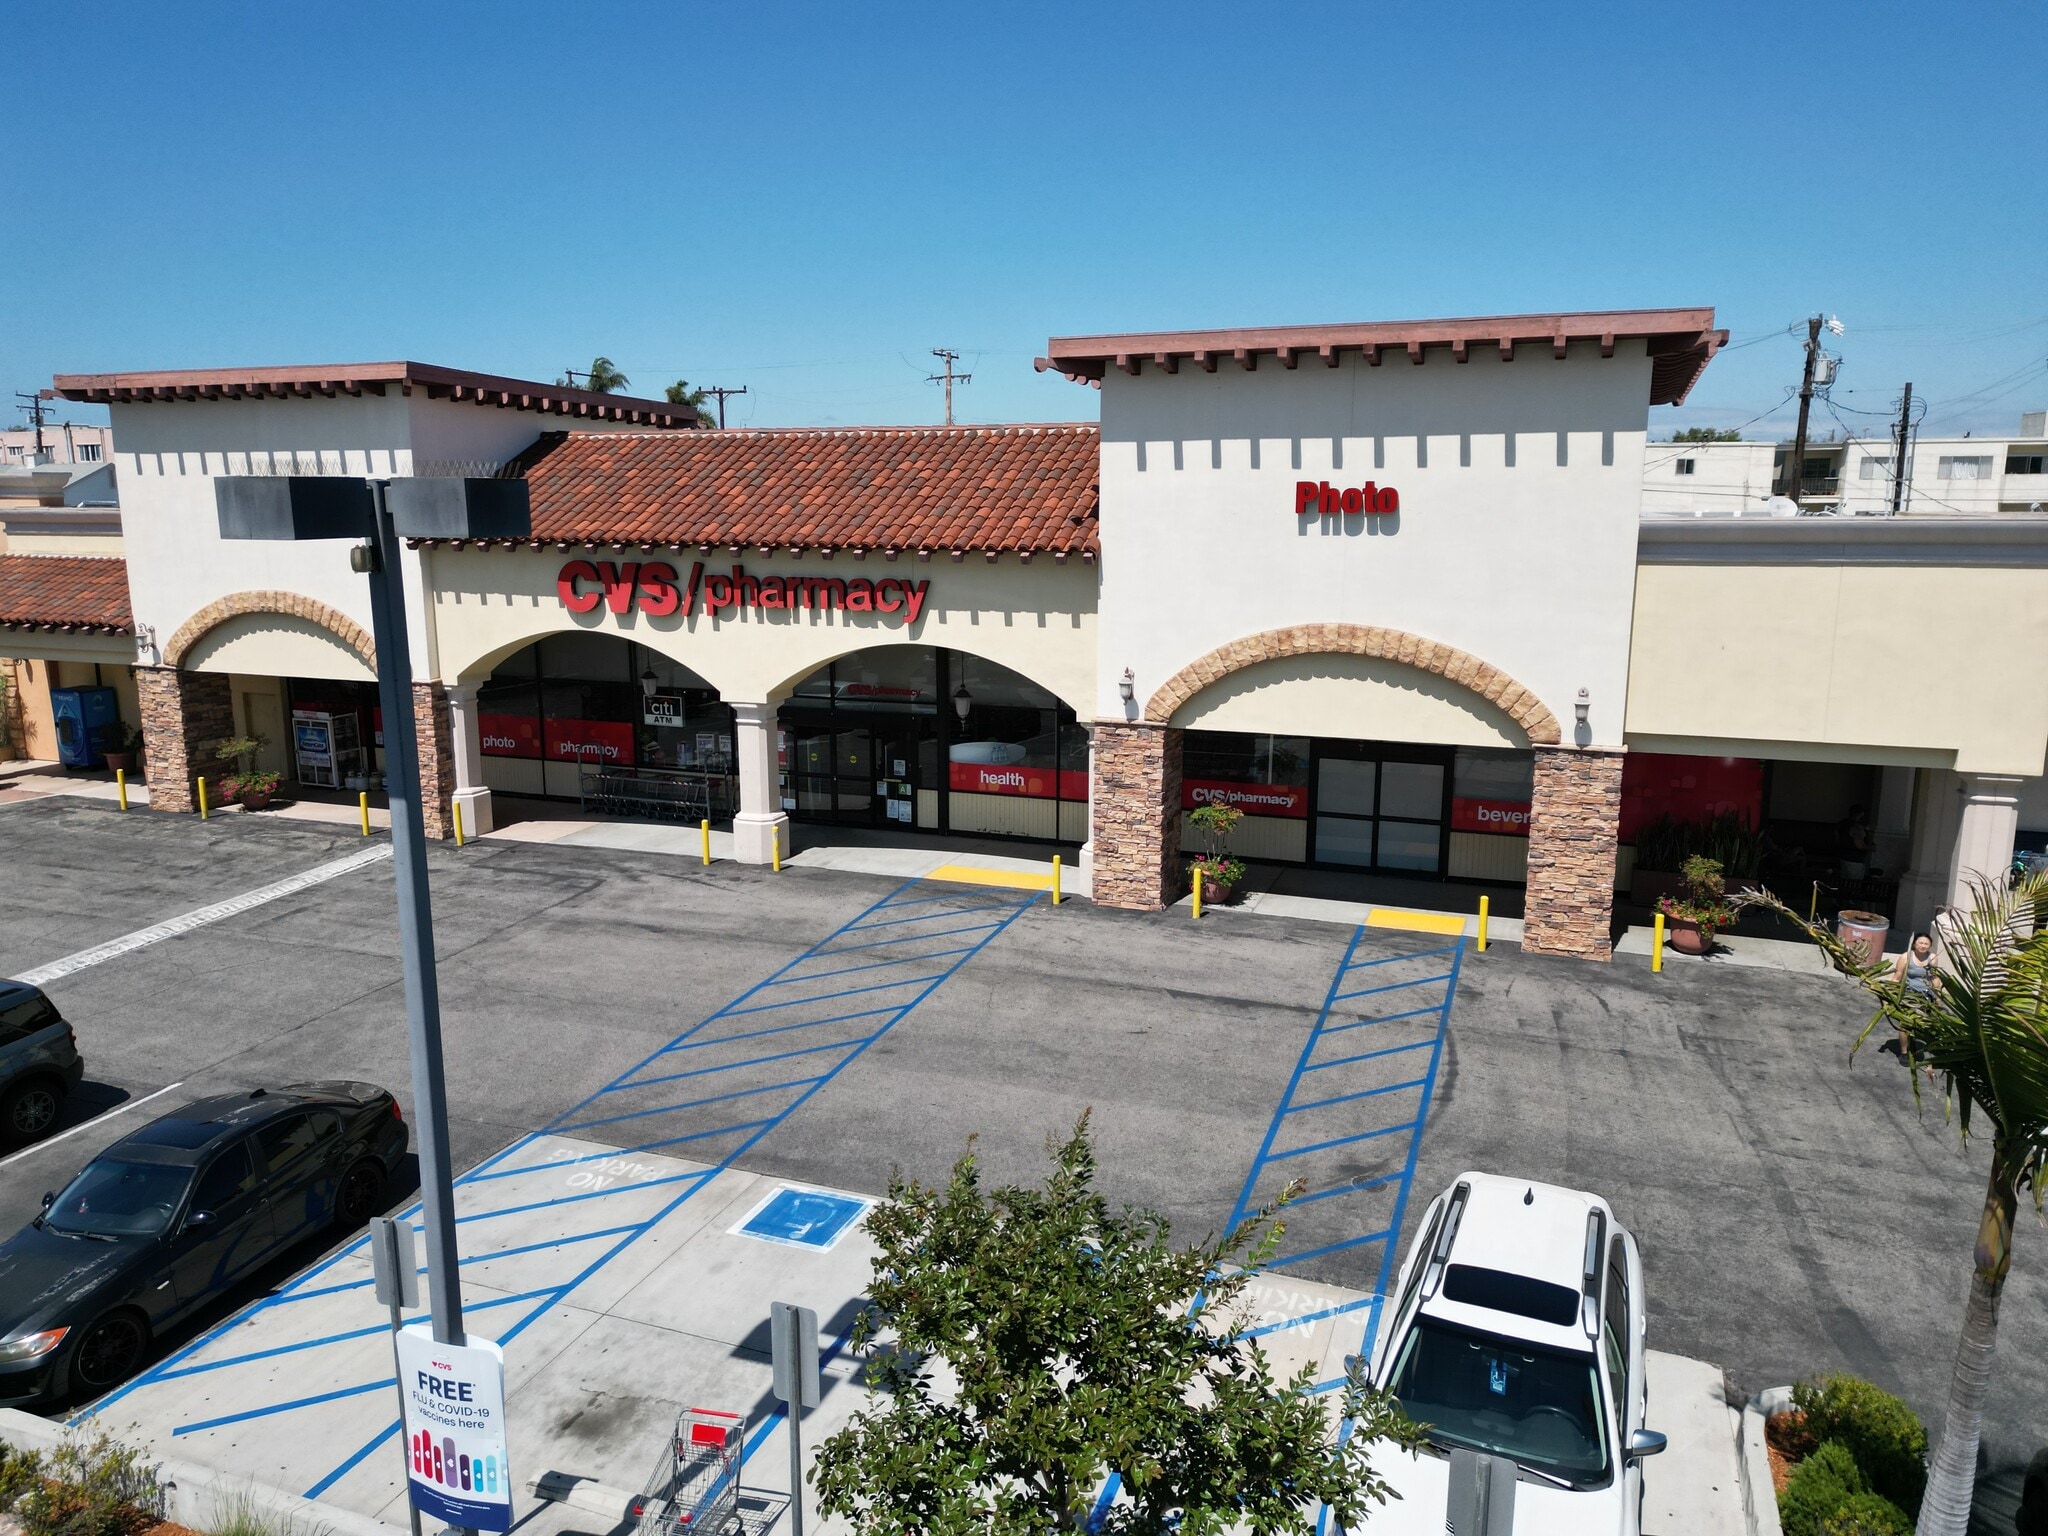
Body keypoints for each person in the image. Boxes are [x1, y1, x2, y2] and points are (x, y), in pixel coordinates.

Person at [1889, 933, 1938, 1078]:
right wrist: (1889, 995)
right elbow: (1897, 976)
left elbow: (1935, 977)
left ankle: (1913, 1042)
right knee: (1905, 1024)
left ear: (1929, 946)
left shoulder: (1932, 958)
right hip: (1909, 995)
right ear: (1915, 944)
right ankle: (1904, 1052)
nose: (1923, 946)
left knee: (1919, 1024)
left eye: (1926, 944)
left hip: (1925, 996)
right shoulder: (1906, 957)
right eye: (1920, 943)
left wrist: (1938, 995)